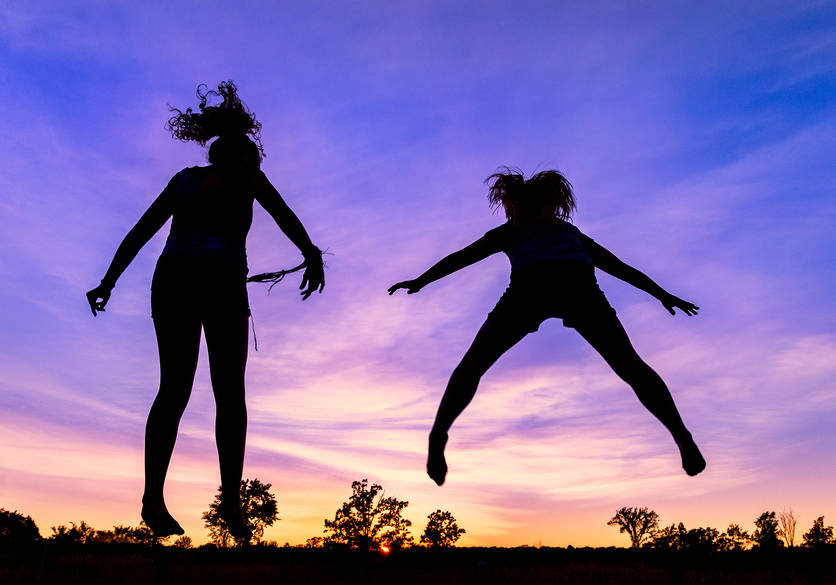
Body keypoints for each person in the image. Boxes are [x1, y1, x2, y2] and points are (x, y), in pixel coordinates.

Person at [87, 82, 325, 537]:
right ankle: (231, 505)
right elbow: (285, 215)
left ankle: (153, 498)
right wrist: (311, 253)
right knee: (228, 393)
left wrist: (109, 280)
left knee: (174, 389)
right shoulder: (246, 177)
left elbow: (141, 232)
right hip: (216, 279)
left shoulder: (184, 180)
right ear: (243, 154)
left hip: (174, 276)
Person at [388, 168, 705, 486]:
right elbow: (618, 267)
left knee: (474, 366)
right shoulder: (550, 231)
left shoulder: (536, 230)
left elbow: (462, 257)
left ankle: (439, 432)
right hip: (566, 286)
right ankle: (681, 435)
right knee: (630, 366)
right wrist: (661, 294)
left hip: (548, 288)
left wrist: (423, 281)